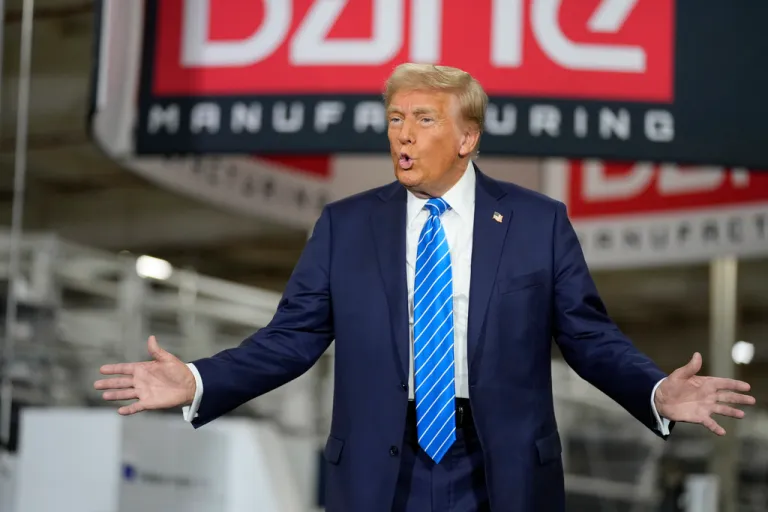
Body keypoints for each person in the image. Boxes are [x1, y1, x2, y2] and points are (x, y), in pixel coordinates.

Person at [94, 63, 754, 512]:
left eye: (424, 120)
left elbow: (588, 336)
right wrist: (200, 380)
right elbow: (290, 339)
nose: (403, 135)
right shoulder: (346, 226)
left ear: (468, 136)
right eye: (394, 119)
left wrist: (654, 390)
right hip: (382, 467)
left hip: (499, 469)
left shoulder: (537, 223)